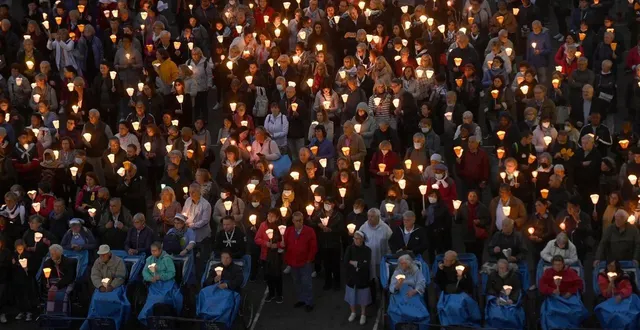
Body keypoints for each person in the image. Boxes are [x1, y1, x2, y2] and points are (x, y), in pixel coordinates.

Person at [283, 211, 317, 311]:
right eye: (296, 221)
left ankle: (309, 302)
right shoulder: (288, 231)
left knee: (307, 283)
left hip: (305, 262)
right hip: (293, 262)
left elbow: (313, 247)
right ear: (293, 221)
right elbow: (285, 244)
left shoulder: (309, 231)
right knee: (297, 282)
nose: (299, 223)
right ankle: (301, 299)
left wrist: (309, 259)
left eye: (300, 220)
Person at [343, 230, 372, 325]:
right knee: (351, 295)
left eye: (358, 238)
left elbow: (366, 264)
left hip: (362, 276)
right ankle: (353, 312)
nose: (356, 240)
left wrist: (354, 263)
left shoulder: (367, 250)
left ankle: (363, 314)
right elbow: (346, 261)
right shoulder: (349, 248)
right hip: (351, 276)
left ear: (362, 239)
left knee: (363, 296)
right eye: (354, 238)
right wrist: (358, 263)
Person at [42, 244, 77, 315]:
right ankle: (50, 314)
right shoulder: (47, 263)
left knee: (62, 294)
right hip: (52, 282)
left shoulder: (68, 262)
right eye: (51, 253)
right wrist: (46, 283)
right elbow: (43, 277)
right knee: (50, 292)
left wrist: (57, 286)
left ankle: (62, 313)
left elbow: (69, 277)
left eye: (53, 253)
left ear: (59, 253)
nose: (51, 255)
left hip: (64, 282)